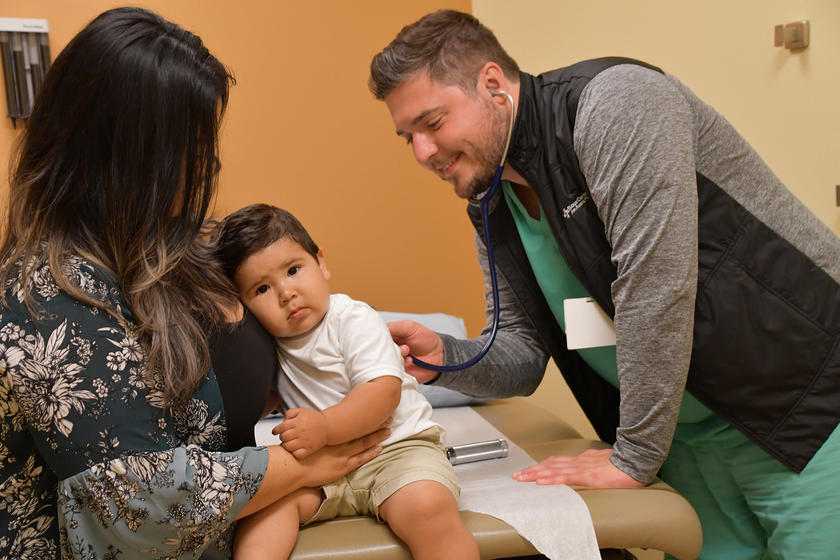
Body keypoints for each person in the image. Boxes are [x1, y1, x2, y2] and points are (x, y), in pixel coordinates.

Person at [368, 9, 840, 560]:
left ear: (492, 84)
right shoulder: (493, 199)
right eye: (408, 138)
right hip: (684, 440)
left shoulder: (615, 102)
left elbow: (655, 292)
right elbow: (522, 353)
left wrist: (632, 457)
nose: (423, 153)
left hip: (802, 406)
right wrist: (448, 357)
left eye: (432, 122)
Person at [0, 8, 386, 559]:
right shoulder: (45, 296)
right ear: (130, 155)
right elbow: (141, 498)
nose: (211, 163)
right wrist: (304, 463)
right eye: (193, 145)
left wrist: (351, 344)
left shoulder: (170, 247)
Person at [213, 203, 478, 560]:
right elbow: (264, 398)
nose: (285, 293)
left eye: (293, 270)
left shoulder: (351, 318)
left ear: (321, 263)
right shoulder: (267, 344)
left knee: (428, 510)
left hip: (395, 451)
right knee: (263, 514)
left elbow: (382, 392)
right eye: (261, 289)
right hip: (321, 468)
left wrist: (323, 426)